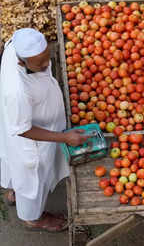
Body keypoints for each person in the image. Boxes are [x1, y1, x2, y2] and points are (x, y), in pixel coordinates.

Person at [0, 28, 88, 232]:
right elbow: (23, 129)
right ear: (22, 62)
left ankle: (14, 192)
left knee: (16, 170)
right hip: (31, 141)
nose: (47, 64)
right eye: (40, 63)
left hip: (23, 117)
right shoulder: (17, 91)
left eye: (47, 57)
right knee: (33, 182)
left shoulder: (17, 46)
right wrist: (64, 137)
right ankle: (33, 218)